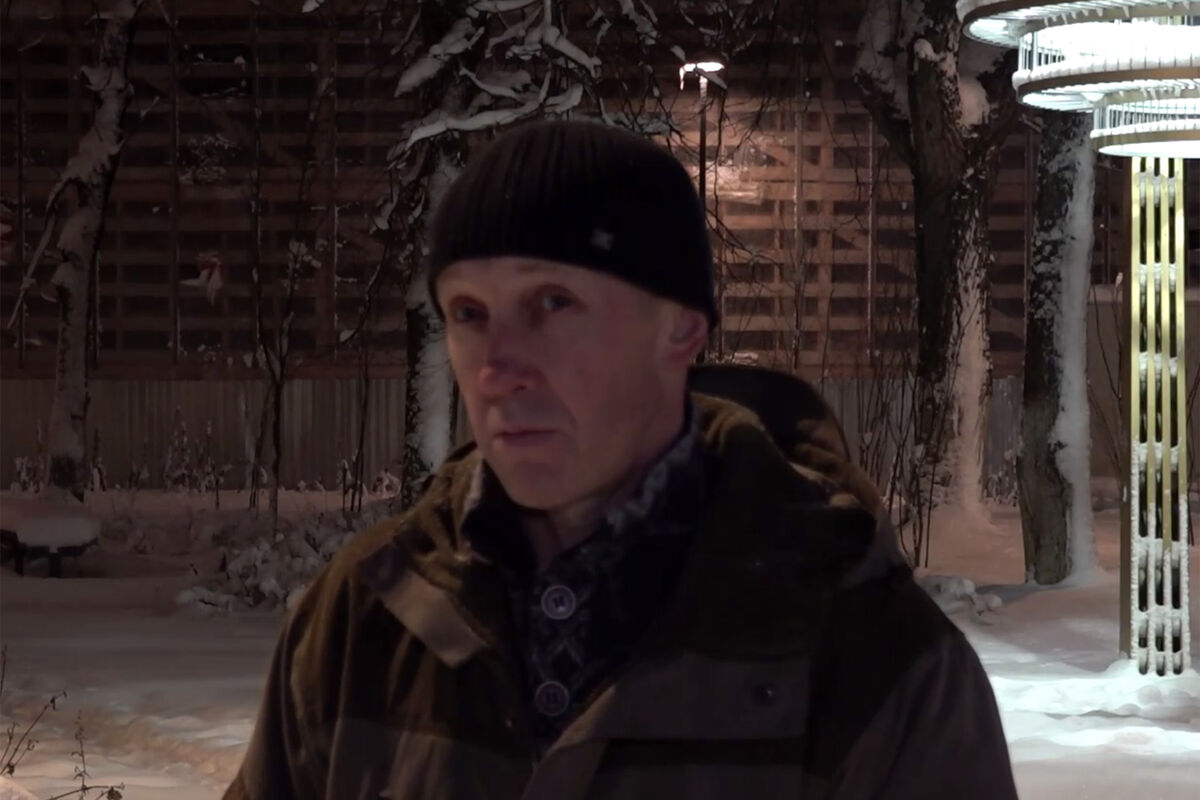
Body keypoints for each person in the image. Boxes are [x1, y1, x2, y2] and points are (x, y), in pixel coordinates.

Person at [224, 119, 1018, 799]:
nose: (496, 367)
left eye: (552, 303)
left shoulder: (875, 662)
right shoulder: (363, 620)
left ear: (682, 329)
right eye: (468, 313)